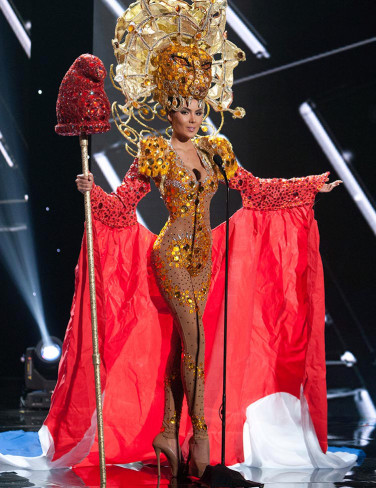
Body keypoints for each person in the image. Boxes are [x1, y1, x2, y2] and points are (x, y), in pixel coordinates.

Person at [76, 93, 341, 477]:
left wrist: (308, 187)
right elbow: (121, 207)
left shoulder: (215, 149)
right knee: (197, 341)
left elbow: (255, 189)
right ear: (169, 112)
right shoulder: (154, 150)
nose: (194, 118)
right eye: (185, 110)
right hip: (171, 256)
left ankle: (168, 433)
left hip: (205, 262)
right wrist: (92, 191)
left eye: (199, 111)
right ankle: (200, 437)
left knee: (187, 345)